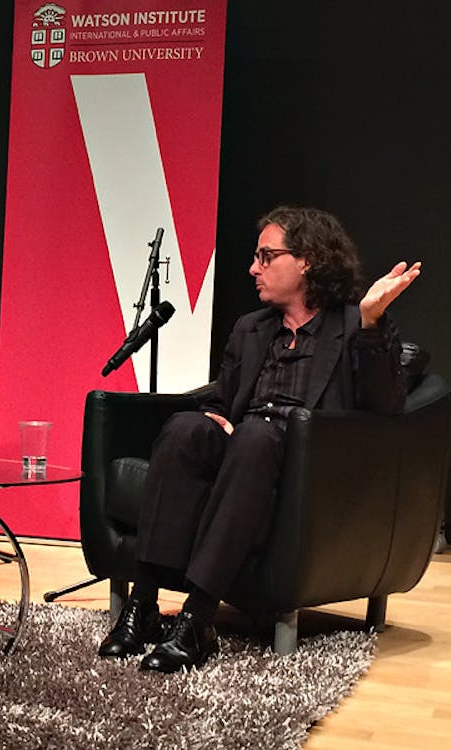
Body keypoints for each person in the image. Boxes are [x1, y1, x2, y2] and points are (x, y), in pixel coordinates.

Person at [98, 206, 422, 672]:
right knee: (185, 428)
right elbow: (220, 400)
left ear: (307, 260)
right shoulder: (251, 329)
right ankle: (144, 603)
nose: (254, 268)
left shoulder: (353, 326)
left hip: (301, 462)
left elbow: (387, 405)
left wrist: (373, 321)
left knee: (256, 437)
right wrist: (214, 419)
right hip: (242, 451)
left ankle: (198, 618)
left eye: (266, 257)